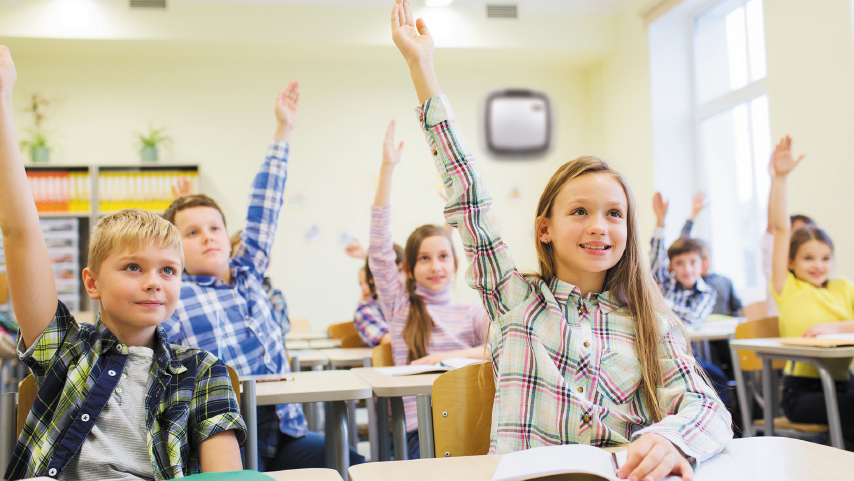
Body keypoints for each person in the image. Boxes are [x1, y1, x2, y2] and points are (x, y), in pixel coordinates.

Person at [388, 2, 732, 479]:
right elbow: (470, 198)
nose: (599, 226)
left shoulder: (651, 322)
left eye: (614, 214)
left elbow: (707, 407)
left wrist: (670, 439)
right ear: (544, 228)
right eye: (579, 212)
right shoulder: (516, 302)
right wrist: (422, 68)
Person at [0, 45, 246, 479]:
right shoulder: (66, 350)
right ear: (92, 283)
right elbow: (21, 234)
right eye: (133, 267)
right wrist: (3, 101)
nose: (154, 282)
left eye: (168, 270)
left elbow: (223, 477)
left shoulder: (204, 371)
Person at [161, 82, 363, 470]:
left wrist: (283, 131)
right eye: (192, 232)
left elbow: (264, 208)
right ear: (174, 247)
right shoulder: (174, 295)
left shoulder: (248, 272)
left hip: (281, 431)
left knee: (349, 463)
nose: (208, 237)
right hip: (218, 442)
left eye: (215, 228)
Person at [369, 119, 487, 459]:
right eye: (424, 258)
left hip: (477, 424)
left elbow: (503, 349)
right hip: (423, 430)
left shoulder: (473, 311)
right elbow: (378, 250)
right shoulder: (400, 307)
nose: (435, 266)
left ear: (454, 263)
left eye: (442, 256)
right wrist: (387, 169)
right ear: (408, 267)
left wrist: (443, 360)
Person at [769, 135, 854, 449]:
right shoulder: (786, 287)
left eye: (825, 258)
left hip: (844, 384)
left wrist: (835, 327)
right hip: (802, 393)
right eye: (808, 258)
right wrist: (780, 178)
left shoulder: (844, 287)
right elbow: (780, 230)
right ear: (790, 262)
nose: (818, 265)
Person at [652, 194, 729, 402]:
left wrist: (660, 303)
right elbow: (657, 258)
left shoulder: (707, 292)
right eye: (680, 263)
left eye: (693, 262)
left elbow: (692, 318)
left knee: (716, 378)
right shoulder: (666, 282)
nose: (687, 269)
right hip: (658, 349)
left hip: (685, 351)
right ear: (671, 266)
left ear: (702, 264)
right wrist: (661, 222)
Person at [679, 192, 743, 317]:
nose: (702, 263)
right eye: (696, 260)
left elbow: (737, 309)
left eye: (706, 258)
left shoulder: (724, 281)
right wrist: (693, 215)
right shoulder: (690, 281)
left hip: (721, 333)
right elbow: (681, 244)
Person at [345, 240, 404, 347]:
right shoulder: (364, 310)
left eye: (401, 271)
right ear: (371, 279)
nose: (397, 278)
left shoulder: (409, 302)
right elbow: (388, 340)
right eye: (390, 271)